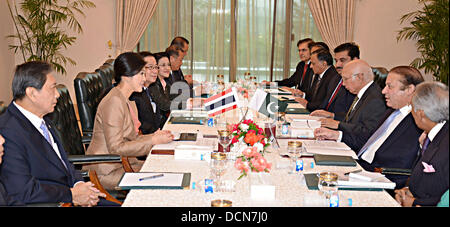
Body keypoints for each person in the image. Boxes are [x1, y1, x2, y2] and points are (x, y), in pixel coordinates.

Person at [0, 61, 107, 206]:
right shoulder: (8, 131)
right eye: (52, 88)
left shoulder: (43, 118)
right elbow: (23, 190)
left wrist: (79, 185)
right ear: (32, 93)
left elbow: (64, 162)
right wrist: (72, 195)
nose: (57, 94)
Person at [85, 52, 174, 190]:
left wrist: (154, 137)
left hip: (125, 163)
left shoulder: (125, 99)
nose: (144, 79)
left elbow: (131, 138)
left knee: (168, 169)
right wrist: (152, 141)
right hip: (108, 170)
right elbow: (116, 148)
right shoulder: (114, 101)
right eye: (141, 74)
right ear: (127, 76)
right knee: (163, 180)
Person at [355, 66, 424, 189]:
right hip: (360, 167)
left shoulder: (418, 122)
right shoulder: (391, 111)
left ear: (409, 89)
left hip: (380, 177)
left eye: (390, 86)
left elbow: (403, 163)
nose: (383, 91)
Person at [314, 59, 387, 152]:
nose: (343, 84)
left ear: (360, 77)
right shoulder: (365, 93)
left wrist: (338, 127)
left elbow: (367, 134)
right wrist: (335, 133)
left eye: (345, 79)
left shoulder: (375, 99)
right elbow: (354, 122)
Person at [395, 82, 449, 207]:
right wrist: (407, 189)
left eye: (411, 108)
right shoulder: (432, 135)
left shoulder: (446, 145)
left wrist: (414, 203)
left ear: (420, 113)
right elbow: (420, 173)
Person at [310, 42, 359, 121]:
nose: (337, 65)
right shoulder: (335, 77)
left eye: (342, 60)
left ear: (355, 60)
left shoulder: (358, 84)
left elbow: (354, 117)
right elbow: (325, 103)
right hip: (323, 121)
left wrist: (332, 115)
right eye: (336, 61)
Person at [130, 52, 164, 134]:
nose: (155, 71)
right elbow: (142, 129)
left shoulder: (148, 90)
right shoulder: (134, 95)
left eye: (156, 67)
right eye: (150, 67)